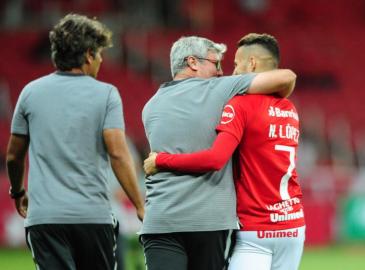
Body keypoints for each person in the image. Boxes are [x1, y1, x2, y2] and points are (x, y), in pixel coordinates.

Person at [144, 33, 305, 270]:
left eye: (233, 64)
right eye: (216, 64)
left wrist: (160, 160)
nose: (223, 72)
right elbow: (288, 76)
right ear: (192, 62)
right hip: (286, 222)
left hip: (168, 218)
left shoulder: (151, 105)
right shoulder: (284, 107)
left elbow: (215, 158)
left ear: (251, 64)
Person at [6, 14, 144, 270]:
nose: (102, 60)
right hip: (93, 217)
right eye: (100, 53)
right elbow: (117, 152)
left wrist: (18, 191)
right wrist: (139, 204)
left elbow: (14, 156)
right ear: (89, 54)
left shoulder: (30, 92)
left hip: (46, 219)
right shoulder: (106, 94)